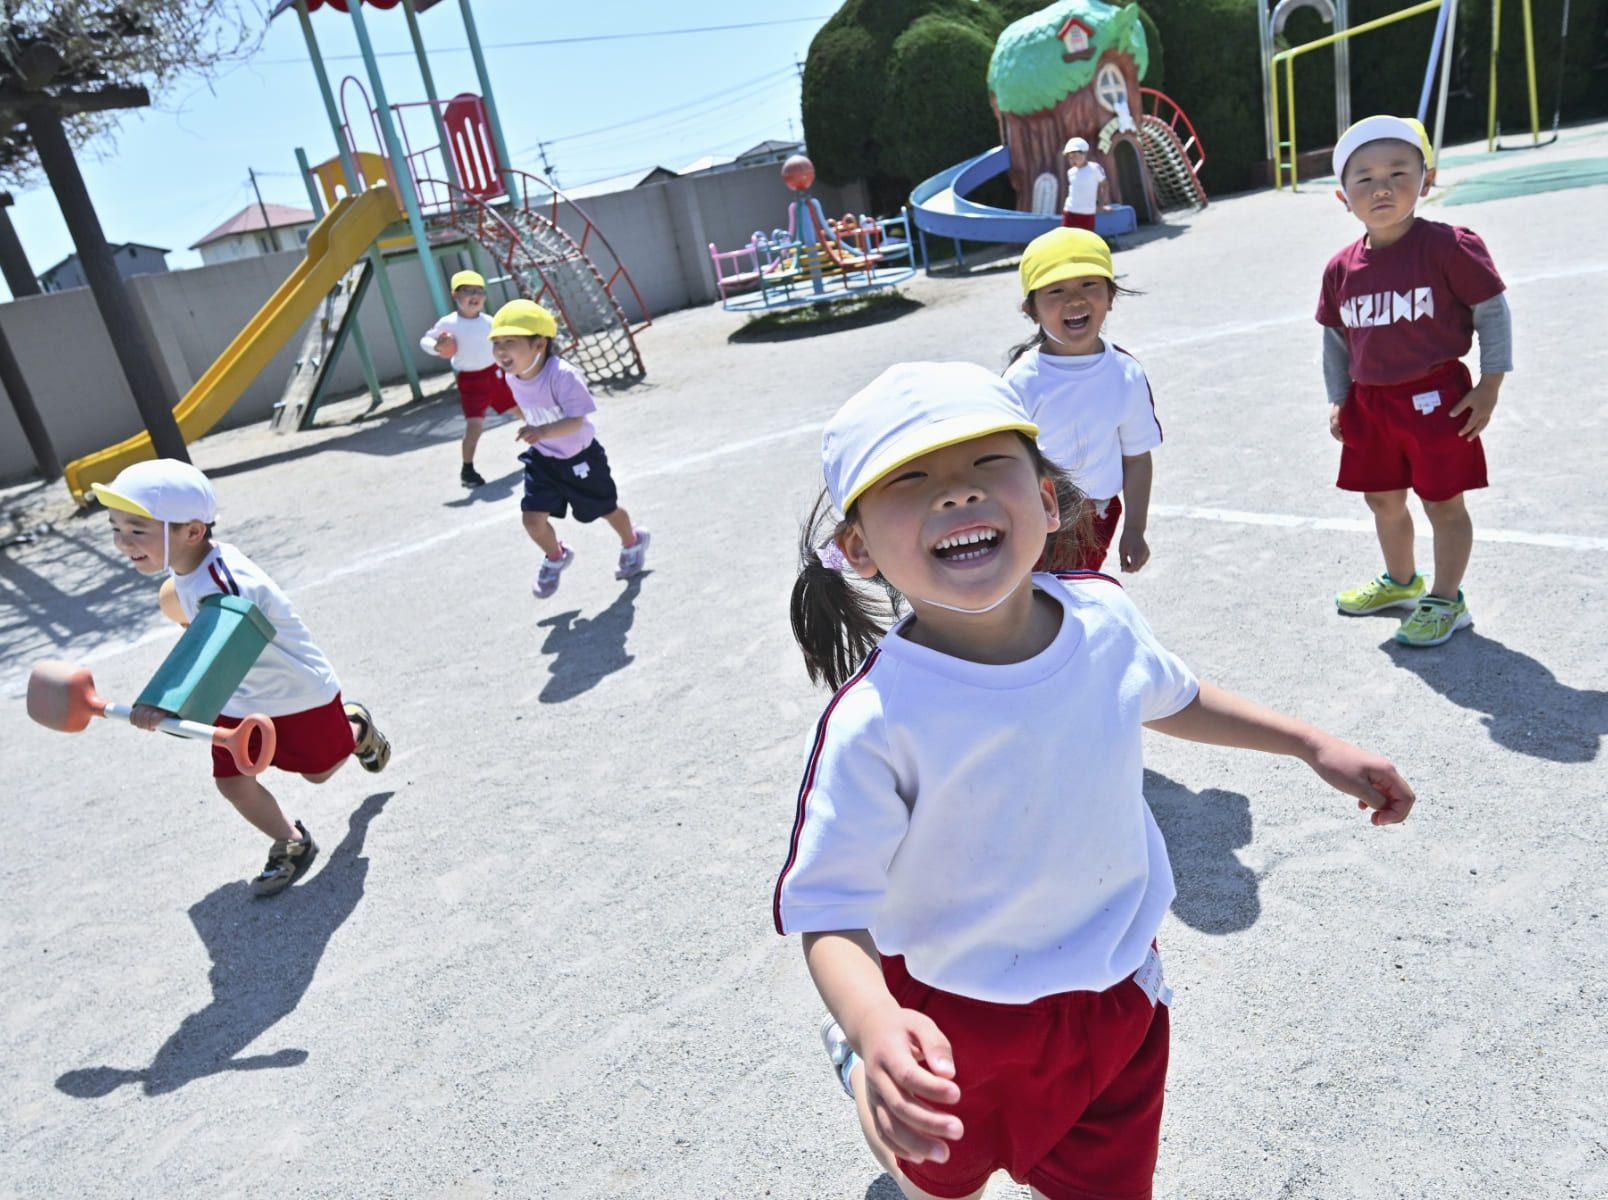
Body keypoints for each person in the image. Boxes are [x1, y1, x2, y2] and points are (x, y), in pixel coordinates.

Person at [777, 361, 1415, 1200]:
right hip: (953, 1011)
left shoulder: (1103, 616)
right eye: (912, 479)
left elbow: (1170, 696)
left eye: (985, 465)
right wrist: (874, 1022)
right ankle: (857, 1066)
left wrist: (1306, 743)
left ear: (1047, 500)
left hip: (1117, 997)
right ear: (857, 550)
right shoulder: (877, 719)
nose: (956, 495)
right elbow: (829, 911)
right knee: (939, 1182)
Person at [95, 459, 391, 898]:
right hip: (239, 699)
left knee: (320, 773)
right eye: (115, 526)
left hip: (295, 694)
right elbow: (197, 626)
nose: (122, 541)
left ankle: (356, 727)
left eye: (137, 530)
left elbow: (214, 649)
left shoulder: (228, 584)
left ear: (192, 532)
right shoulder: (187, 568)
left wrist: (164, 701)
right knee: (233, 781)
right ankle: (291, 840)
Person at [1318, 115, 1512, 646]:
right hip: (1370, 405)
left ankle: (1449, 599)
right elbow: (1336, 339)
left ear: (1425, 180)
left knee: (1442, 502)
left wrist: (1490, 385)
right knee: (1382, 499)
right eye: (1365, 178)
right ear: (1344, 196)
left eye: (1398, 172)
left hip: (1437, 400)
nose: (1381, 187)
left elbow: (1491, 312)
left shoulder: (1449, 246)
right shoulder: (1341, 269)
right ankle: (1402, 584)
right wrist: (1340, 396)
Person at [1004, 226, 1159, 574]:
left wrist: (1135, 528)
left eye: (1089, 285)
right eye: (1056, 291)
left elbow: (1137, 459)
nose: (1075, 300)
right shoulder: (1021, 381)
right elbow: (1002, 462)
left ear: (1111, 295)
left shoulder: (1125, 374)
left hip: (1098, 516)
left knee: (1073, 600)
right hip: (1034, 517)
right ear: (1032, 309)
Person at [488, 299, 649, 598]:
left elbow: (576, 420)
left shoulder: (563, 375)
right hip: (544, 459)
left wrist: (541, 430)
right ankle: (555, 556)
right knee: (532, 519)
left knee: (605, 509)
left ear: (539, 345)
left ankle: (633, 540)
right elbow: (528, 406)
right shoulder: (512, 376)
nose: (500, 350)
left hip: (580, 458)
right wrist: (532, 428)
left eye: (510, 341)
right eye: (496, 342)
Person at [420, 269, 518, 490]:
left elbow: (504, 345)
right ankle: (468, 469)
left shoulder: (490, 322)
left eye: (479, 291)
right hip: (471, 382)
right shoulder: (448, 324)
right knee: (474, 427)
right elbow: (425, 340)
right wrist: (437, 346)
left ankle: (546, 446)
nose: (474, 296)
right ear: (455, 295)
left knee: (522, 411)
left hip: (495, 375)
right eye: (467, 291)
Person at [1060, 136, 1109, 231]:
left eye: (1075, 156)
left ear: (1084, 153)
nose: (1072, 160)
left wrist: (1101, 204)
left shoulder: (1094, 168)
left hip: (1087, 213)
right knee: (1068, 239)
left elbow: (1104, 184)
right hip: (1070, 211)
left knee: (1086, 240)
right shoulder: (1070, 172)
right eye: (1069, 157)